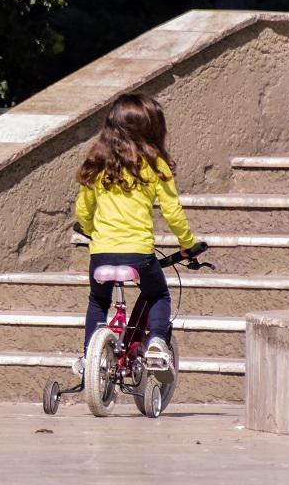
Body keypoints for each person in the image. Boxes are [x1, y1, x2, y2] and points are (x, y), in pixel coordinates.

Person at [73, 93, 198, 380]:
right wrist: (188, 244)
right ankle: (155, 342)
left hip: (101, 253)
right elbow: (173, 212)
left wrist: (91, 231)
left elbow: (83, 209)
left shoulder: (97, 161)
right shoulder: (155, 165)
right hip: (139, 255)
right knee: (159, 294)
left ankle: (88, 356)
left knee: (97, 301)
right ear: (153, 128)